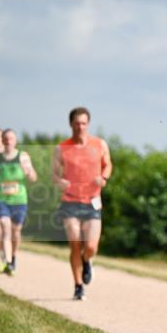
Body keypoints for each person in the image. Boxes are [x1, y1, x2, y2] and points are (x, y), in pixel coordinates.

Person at [52, 106, 112, 300]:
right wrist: (59, 181)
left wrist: (104, 177)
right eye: (77, 123)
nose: (80, 127)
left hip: (92, 202)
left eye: (84, 123)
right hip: (70, 202)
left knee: (92, 247)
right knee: (75, 244)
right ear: (71, 124)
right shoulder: (61, 148)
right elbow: (54, 174)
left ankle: (87, 261)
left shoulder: (99, 144)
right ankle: (78, 286)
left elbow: (108, 164)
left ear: (88, 124)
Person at [0, 129, 37, 275]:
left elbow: (33, 178)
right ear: (2, 141)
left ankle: (13, 256)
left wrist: (28, 172)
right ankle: (9, 263)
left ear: (15, 140)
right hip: (2, 199)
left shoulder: (23, 156)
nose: (8, 142)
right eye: (5, 139)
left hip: (19, 199)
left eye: (10, 139)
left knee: (16, 230)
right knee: (5, 227)